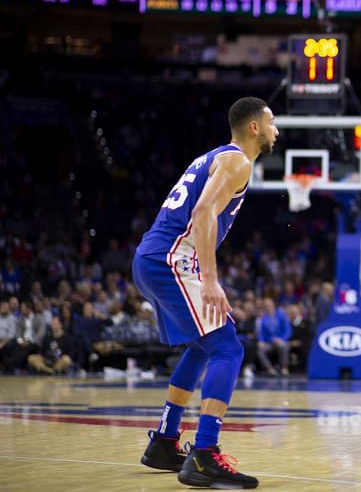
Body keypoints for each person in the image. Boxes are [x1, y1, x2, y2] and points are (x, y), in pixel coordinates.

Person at [132, 96, 278, 489]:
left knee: (200, 348)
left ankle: (164, 441)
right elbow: (201, 214)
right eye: (272, 122)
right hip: (171, 260)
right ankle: (204, 454)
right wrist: (210, 280)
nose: (276, 131)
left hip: (150, 257)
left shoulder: (213, 157)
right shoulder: (238, 161)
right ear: (254, 127)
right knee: (228, 348)